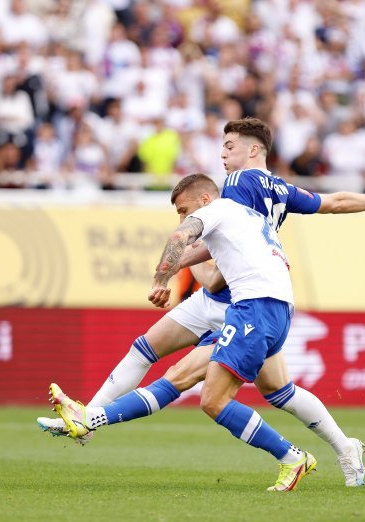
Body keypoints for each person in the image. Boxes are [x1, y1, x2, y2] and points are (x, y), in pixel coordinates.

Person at [39, 117, 365, 488]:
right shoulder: (280, 190)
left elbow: (210, 247)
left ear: (254, 151)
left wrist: (168, 270)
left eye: (229, 146)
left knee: (188, 382)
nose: (222, 154)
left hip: (241, 300)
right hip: (248, 295)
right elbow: (333, 202)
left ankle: (90, 420)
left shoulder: (237, 184)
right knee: (272, 389)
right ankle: (344, 446)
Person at [53, 173, 317, 491]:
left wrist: (162, 280)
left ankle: (295, 456)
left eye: (184, 209)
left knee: (215, 397)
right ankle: (89, 419)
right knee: (190, 383)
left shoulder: (222, 210)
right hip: (260, 308)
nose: (183, 217)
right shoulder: (248, 218)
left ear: (206, 199)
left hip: (253, 309)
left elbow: (181, 240)